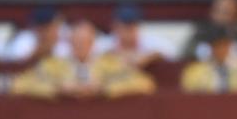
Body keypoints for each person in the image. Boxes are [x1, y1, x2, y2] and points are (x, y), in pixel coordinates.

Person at [13, 17, 156, 100]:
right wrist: (58, 89)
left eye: (86, 41)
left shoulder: (109, 63)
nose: (81, 46)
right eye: (77, 42)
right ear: (70, 42)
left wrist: (104, 89)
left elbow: (145, 83)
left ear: (93, 42)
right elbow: (19, 84)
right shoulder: (54, 65)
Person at [98, 3, 173, 72]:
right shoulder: (104, 44)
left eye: (132, 27)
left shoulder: (153, 42)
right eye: (124, 27)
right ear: (114, 27)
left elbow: (170, 55)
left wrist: (149, 57)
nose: (128, 32)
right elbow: (93, 58)